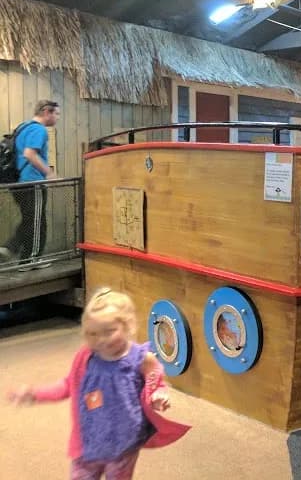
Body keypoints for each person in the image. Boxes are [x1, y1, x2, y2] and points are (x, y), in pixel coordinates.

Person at [7, 288, 191, 479]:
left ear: (126, 326)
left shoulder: (141, 359)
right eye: (93, 334)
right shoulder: (85, 358)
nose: (101, 340)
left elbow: (155, 381)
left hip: (123, 444)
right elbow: (67, 385)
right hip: (88, 443)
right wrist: (35, 394)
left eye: (109, 331)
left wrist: (158, 395)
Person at [0, 99, 60, 264]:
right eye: (56, 113)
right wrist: (49, 173)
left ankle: (14, 248)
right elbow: (29, 154)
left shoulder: (23, 127)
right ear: (46, 112)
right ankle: (30, 260)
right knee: (36, 222)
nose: (58, 117)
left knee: (31, 219)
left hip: (19, 183)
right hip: (32, 182)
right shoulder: (39, 130)